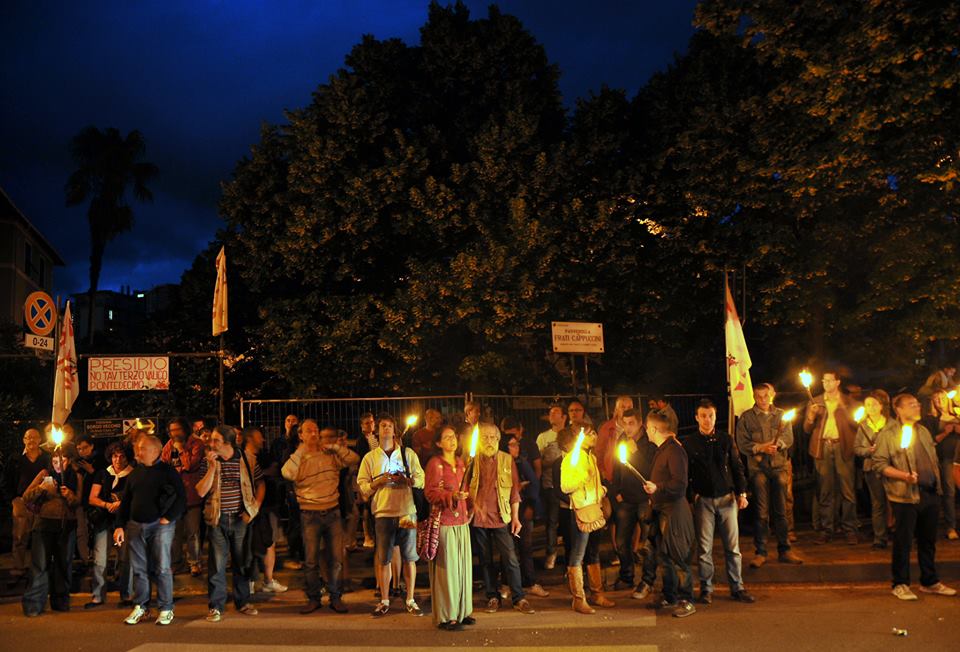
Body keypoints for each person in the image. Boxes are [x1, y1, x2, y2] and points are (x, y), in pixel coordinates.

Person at [872, 393, 956, 600]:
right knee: (904, 541)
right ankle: (900, 583)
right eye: (911, 405)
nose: (917, 407)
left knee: (928, 541)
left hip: (929, 493)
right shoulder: (888, 434)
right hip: (905, 496)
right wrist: (904, 476)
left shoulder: (924, 431)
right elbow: (879, 465)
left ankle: (929, 581)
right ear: (898, 410)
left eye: (917, 404)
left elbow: (932, 459)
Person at [682, 399, 754, 604]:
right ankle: (706, 588)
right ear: (696, 417)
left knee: (733, 547)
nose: (707, 420)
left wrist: (742, 493)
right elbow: (686, 473)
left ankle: (737, 587)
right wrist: (691, 497)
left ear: (715, 416)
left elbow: (737, 466)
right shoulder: (689, 443)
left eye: (711, 415)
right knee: (704, 548)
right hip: (703, 499)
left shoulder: (726, 439)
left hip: (727, 499)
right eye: (703, 416)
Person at [282, 420, 358, 614]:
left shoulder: (329, 454)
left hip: (332, 511)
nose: (314, 434)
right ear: (301, 435)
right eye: (309, 431)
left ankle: (335, 597)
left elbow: (353, 459)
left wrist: (334, 446)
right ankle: (314, 598)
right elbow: (287, 473)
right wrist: (301, 450)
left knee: (336, 559)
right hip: (309, 514)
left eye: (316, 430)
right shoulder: (298, 457)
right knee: (311, 560)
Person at [357, 414, 425, 617]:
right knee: (383, 559)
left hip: (406, 512)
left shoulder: (407, 453)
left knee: (409, 558)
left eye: (389, 426)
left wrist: (407, 480)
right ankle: (384, 600)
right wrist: (378, 482)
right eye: (383, 426)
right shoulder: (370, 457)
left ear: (395, 431)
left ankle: (410, 599)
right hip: (383, 513)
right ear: (377, 431)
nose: (386, 429)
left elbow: (421, 477)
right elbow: (362, 486)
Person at [113, 435, 185, 626]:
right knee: (139, 570)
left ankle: (166, 608)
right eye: (138, 448)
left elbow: (181, 497)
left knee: (162, 567)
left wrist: (168, 518)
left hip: (160, 526)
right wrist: (120, 525)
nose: (138, 451)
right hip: (136, 526)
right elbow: (126, 502)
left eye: (142, 448)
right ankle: (141, 606)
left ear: (155, 450)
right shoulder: (135, 473)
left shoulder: (168, 471)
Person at [196, 425, 264, 622]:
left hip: (240, 518)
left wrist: (254, 508)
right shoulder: (208, 461)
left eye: (216, 440)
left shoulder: (246, 459)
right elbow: (201, 491)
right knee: (217, 563)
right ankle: (216, 605)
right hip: (217, 518)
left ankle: (242, 602)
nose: (211, 443)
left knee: (241, 561)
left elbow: (260, 483)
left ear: (227, 442)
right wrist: (211, 467)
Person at [469, 423, 536, 615]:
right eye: (485, 437)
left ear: (498, 440)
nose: (489, 441)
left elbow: (514, 491)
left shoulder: (507, 460)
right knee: (486, 560)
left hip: (501, 516)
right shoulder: (472, 461)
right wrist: (475, 507)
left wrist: (515, 517)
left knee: (511, 558)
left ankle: (519, 597)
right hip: (480, 519)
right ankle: (492, 596)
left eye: (492, 437)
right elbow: (466, 489)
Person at [736, 383, 803, 566]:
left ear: (773, 395)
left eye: (766, 395)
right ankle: (761, 552)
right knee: (761, 512)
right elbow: (742, 443)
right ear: (754, 397)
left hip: (779, 467)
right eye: (759, 396)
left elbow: (788, 438)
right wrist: (760, 447)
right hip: (758, 470)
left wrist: (778, 445)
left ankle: (785, 549)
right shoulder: (747, 418)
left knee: (781, 511)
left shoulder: (782, 415)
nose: (763, 399)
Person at [643, 412, 696, 618]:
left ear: (655, 429)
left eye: (648, 427)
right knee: (664, 556)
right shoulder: (662, 450)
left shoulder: (674, 451)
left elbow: (680, 484)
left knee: (678, 557)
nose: (646, 431)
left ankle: (687, 600)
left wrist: (657, 487)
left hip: (674, 512)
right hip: (661, 510)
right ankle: (670, 595)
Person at [424, 426, 475, 631]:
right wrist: (451, 496)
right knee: (448, 570)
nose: (452, 441)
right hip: (445, 522)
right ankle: (448, 615)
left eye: (453, 437)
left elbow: (465, 489)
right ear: (438, 443)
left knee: (463, 569)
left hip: (462, 522)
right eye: (446, 438)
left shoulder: (462, 463)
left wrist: (468, 501)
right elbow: (431, 493)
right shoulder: (435, 464)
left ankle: (463, 612)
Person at [560, 423, 613, 614]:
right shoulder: (571, 460)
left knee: (593, 552)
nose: (595, 436)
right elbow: (565, 487)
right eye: (591, 433)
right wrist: (584, 476)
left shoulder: (590, 456)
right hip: (581, 511)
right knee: (578, 554)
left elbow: (593, 484)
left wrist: (602, 490)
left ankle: (597, 594)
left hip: (594, 509)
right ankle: (579, 598)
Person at [20, 447, 79, 617]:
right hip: (44, 525)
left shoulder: (75, 476)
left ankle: (60, 602)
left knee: (63, 565)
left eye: (62, 461)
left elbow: (78, 502)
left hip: (66, 526)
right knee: (40, 565)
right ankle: (33, 605)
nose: (59, 465)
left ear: (69, 461)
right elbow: (26, 497)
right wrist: (42, 488)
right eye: (54, 461)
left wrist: (69, 495)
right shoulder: (45, 474)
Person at [804, 370, 860, 544]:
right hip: (823, 448)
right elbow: (806, 429)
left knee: (847, 490)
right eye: (823, 380)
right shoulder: (815, 401)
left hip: (842, 447)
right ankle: (827, 529)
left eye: (829, 380)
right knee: (825, 490)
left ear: (837, 382)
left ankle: (849, 529)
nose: (826, 384)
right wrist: (811, 416)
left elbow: (856, 424)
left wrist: (844, 410)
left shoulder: (848, 401)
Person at [608, 408, 658, 598]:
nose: (628, 428)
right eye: (625, 423)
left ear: (640, 424)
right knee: (622, 541)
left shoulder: (650, 443)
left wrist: (636, 453)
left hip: (645, 499)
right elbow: (617, 467)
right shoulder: (622, 440)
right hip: (626, 498)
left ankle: (647, 580)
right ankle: (627, 575)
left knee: (647, 543)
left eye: (632, 423)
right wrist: (617, 491)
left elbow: (649, 470)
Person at [85, 442, 133, 608]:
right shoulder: (103, 474)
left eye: (121, 456)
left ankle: (126, 595)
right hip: (104, 521)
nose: (118, 459)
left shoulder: (132, 474)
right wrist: (107, 505)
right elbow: (92, 497)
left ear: (127, 457)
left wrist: (121, 503)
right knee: (100, 559)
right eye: (114, 456)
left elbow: (134, 498)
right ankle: (98, 596)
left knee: (125, 559)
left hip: (124, 522)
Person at [504, 432, 549, 598]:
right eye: (512, 445)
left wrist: (530, 503)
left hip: (523, 509)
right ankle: (506, 584)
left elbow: (534, 485)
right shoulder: (501, 463)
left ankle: (530, 582)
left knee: (526, 547)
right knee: (508, 549)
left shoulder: (522, 462)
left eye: (517, 444)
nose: (516, 448)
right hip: (505, 510)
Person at [243, 426, 287, 594]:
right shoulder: (243, 458)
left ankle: (267, 580)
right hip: (249, 507)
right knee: (249, 545)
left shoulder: (263, 456)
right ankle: (251, 581)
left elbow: (273, 471)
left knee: (269, 543)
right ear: (250, 439)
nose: (262, 440)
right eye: (259, 437)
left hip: (266, 506)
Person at [161, 417, 206, 576]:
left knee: (193, 532)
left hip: (192, 496)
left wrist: (180, 449)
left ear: (185, 429)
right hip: (174, 498)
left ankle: (194, 563)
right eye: (172, 431)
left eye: (177, 430)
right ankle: (176, 563)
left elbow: (190, 465)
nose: (175, 434)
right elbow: (165, 467)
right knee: (175, 534)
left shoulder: (196, 444)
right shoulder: (168, 446)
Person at [4, 428, 50, 581]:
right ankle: (18, 568)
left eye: (35, 437)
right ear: (24, 440)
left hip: (41, 503)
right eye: (28, 437)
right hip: (21, 503)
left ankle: (38, 569)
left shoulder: (46, 458)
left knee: (40, 536)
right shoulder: (15, 459)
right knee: (19, 536)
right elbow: (6, 481)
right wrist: (13, 499)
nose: (31, 440)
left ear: (39, 439)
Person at [854, 390, 895, 549]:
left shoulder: (892, 424)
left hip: (891, 468)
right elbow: (857, 448)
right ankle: (880, 538)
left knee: (895, 501)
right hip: (871, 468)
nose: (870, 407)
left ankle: (898, 532)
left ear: (881, 406)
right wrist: (867, 451)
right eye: (867, 405)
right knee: (878, 503)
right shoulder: (863, 426)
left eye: (873, 404)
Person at [925, 390, 960, 540]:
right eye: (936, 399)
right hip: (945, 459)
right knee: (949, 493)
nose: (940, 402)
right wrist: (946, 432)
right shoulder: (931, 420)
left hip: (958, 458)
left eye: (942, 398)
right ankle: (950, 526)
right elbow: (931, 441)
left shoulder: (957, 415)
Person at [537, 404, 566, 569]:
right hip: (551, 485)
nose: (552, 415)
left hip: (569, 486)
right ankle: (551, 553)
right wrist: (548, 463)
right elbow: (537, 460)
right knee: (552, 521)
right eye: (550, 413)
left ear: (564, 417)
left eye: (556, 412)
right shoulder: (543, 437)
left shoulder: (570, 435)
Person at [72, 434, 102, 564]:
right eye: (79, 449)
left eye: (85, 448)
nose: (82, 451)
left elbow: (104, 478)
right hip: (81, 501)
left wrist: (92, 471)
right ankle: (84, 557)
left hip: (95, 502)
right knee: (82, 531)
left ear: (92, 446)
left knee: (96, 530)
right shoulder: (76, 461)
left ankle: (95, 556)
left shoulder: (100, 460)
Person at [352, 412, 378, 549]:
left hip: (377, 475)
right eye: (367, 422)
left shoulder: (376, 438)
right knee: (367, 507)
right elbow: (364, 458)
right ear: (362, 425)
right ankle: (367, 536)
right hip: (368, 476)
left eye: (372, 421)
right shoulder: (361, 440)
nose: (371, 424)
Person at [596, 396, 634, 484]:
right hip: (612, 476)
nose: (626, 410)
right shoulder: (606, 428)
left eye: (629, 407)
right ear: (616, 410)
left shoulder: (638, 427)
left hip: (632, 477)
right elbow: (599, 452)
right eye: (623, 407)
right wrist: (603, 473)